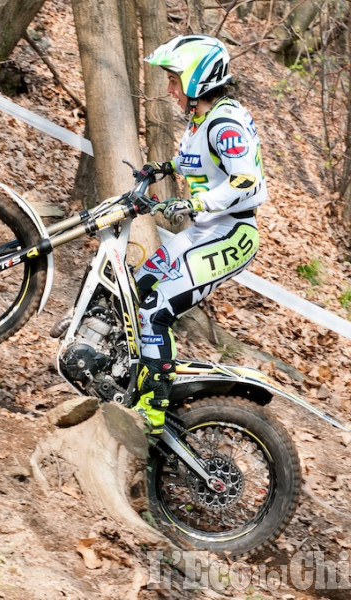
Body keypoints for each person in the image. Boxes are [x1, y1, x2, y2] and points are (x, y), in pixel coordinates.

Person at [133, 34, 268, 434]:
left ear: (197, 80)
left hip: (232, 233)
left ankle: (152, 412)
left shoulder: (224, 123)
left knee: (155, 309)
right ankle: (138, 373)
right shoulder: (204, 119)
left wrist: (199, 204)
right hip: (206, 230)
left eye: (175, 80)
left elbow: (248, 181)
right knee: (140, 285)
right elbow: (196, 160)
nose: (169, 88)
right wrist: (163, 168)